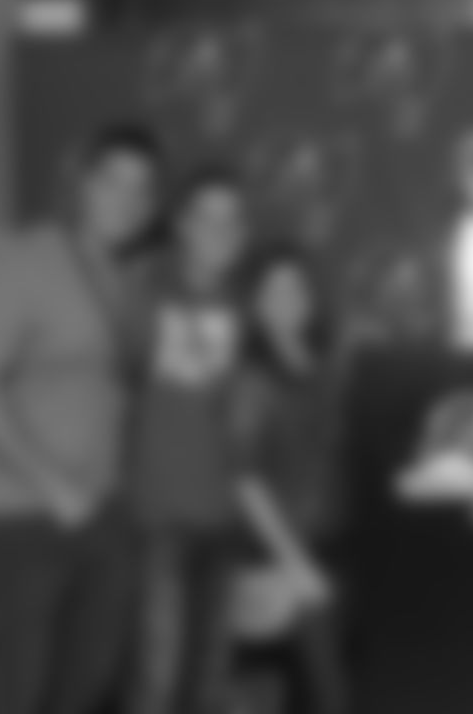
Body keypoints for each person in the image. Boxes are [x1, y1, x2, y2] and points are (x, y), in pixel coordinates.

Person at [0, 123, 162, 714]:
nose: (126, 199)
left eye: (142, 189)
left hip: (100, 518)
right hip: (16, 523)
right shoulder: (19, 260)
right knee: (17, 695)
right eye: (112, 181)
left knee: (84, 690)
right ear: (82, 185)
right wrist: (52, 484)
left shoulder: (123, 281)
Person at [126, 166, 329, 714]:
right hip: (159, 519)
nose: (220, 231)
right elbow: (115, 384)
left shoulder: (247, 306)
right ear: (181, 224)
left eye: (233, 220)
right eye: (207, 218)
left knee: (206, 685)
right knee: (157, 682)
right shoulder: (144, 289)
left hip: (227, 525)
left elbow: (285, 392)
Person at [226, 244, 350, 714]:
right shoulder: (251, 380)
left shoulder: (325, 367)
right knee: (328, 696)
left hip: (335, 546)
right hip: (281, 556)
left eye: (296, 287)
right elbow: (244, 481)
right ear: (254, 304)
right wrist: (294, 564)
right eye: (274, 290)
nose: (288, 299)